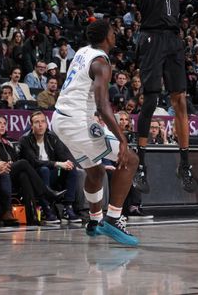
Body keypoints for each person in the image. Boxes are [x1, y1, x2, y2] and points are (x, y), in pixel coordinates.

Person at [51, 20, 140, 245]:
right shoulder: (101, 62)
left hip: (60, 119)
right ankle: (113, 218)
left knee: (96, 171)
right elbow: (102, 105)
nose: (115, 34)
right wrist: (122, 139)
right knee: (130, 159)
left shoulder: (83, 52)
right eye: (112, 32)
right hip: (77, 121)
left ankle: (94, 220)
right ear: (105, 37)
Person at [133, 0, 197, 194]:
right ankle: (140, 163)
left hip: (173, 40)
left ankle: (184, 163)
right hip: (150, 38)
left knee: (180, 101)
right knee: (149, 100)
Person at [0, 115, 65, 226]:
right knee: (24, 163)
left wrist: (11, 163)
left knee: (24, 176)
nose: (2, 126)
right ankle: (47, 192)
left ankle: (32, 217)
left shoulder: (8, 142)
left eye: (4, 124)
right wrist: (4, 163)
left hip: (11, 171)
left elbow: (15, 159)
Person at [19, 112, 82, 224]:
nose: (40, 125)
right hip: (35, 176)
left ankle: (68, 207)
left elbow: (63, 155)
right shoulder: (25, 140)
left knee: (71, 169)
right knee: (44, 170)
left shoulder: (52, 137)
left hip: (52, 173)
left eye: (43, 121)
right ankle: (46, 209)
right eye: (37, 122)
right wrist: (56, 164)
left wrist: (69, 164)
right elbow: (34, 162)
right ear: (31, 124)